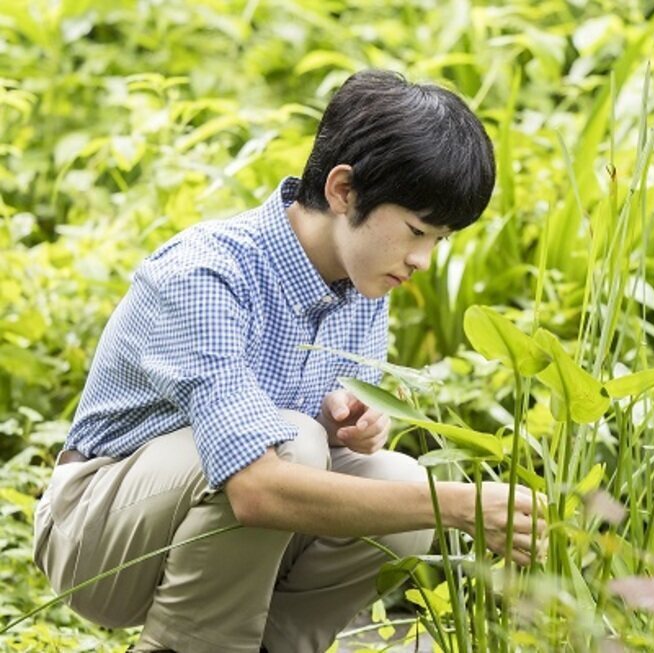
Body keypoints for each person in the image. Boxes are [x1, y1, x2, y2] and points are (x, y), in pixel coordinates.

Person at [33, 69, 548, 653]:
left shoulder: (363, 282)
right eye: (415, 230)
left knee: (398, 482)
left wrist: (347, 428)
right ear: (343, 190)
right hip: (95, 536)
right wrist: (459, 504)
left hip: (221, 533)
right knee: (296, 444)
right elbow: (257, 489)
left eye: (440, 239)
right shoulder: (206, 274)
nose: (424, 259)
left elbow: (315, 451)